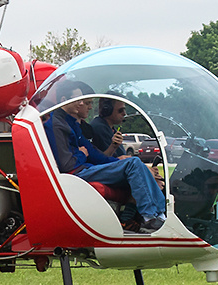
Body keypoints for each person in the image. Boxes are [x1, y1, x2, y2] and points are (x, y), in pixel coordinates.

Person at [47, 83, 166, 233]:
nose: (83, 104)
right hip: (75, 174)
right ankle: (151, 217)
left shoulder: (70, 124)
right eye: (79, 99)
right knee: (133, 163)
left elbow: (94, 154)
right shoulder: (56, 125)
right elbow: (67, 164)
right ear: (64, 100)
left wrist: (119, 162)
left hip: (83, 169)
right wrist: (82, 154)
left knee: (133, 163)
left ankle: (159, 215)